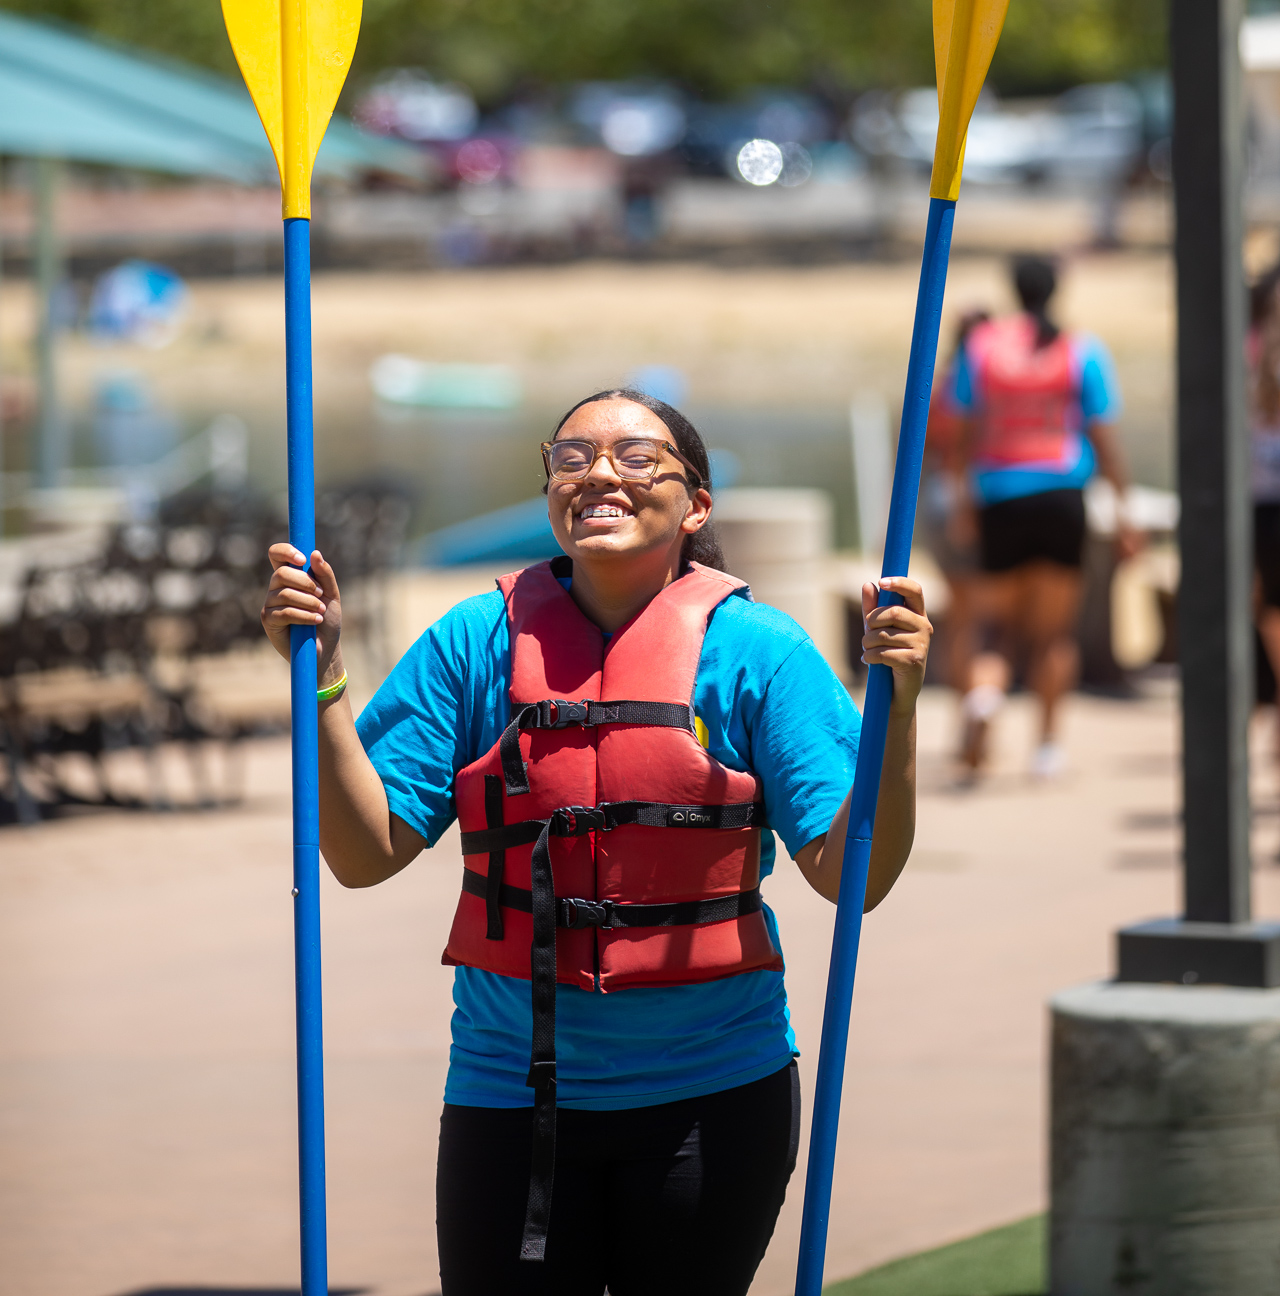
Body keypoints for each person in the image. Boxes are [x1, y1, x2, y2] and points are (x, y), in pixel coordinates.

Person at [261, 387, 932, 1296]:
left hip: (713, 1099)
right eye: (571, 459)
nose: (600, 474)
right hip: (509, 1097)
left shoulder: (759, 653)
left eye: (636, 456)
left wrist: (901, 714)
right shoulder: (475, 641)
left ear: (696, 504)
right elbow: (363, 851)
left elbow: (855, 875)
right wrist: (325, 677)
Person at [946, 255, 1135, 780]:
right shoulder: (1081, 349)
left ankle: (984, 698)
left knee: (994, 627)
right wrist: (1124, 510)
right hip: (1062, 494)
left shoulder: (982, 348)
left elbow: (961, 434)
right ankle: (1048, 747)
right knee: (1053, 633)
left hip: (1000, 494)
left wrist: (963, 501)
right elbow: (1105, 439)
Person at [1248, 265, 1280, 730]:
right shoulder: (1250, 353)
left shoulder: (1247, 351)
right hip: (1261, 500)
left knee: (1271, 608)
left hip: (1260, 500)